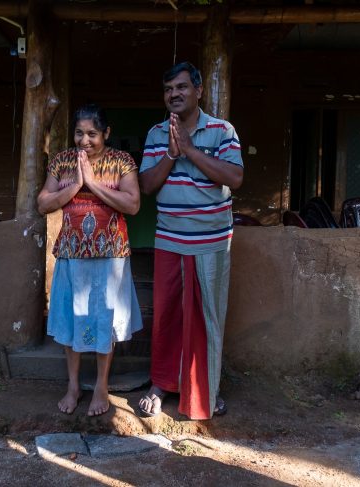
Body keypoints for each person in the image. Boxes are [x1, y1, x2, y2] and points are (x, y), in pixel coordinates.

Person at [137, 62, 244, 420]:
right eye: (168, 89)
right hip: (169, 238)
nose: (174, 94)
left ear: (198, 91)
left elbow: (234, 177)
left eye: (181, 87)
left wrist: (190, 150)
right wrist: (171, 152)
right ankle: (161, 383)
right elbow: (148, 186)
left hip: (212, 241)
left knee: (206, 318)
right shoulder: (155, 133)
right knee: (166, 316)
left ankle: (206, 390)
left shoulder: (222, 131)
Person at [37, 104, 143, 417]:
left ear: (106, 134)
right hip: (72, 253)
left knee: (102, 319)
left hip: (110, 255)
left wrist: (93, 183)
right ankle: (72, 385)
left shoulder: (122, 161)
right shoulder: (61, 161)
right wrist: (74, 185)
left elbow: (133, 204)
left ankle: (100, 385)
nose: (85, 140)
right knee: (73, 319)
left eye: (92, 134)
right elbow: (43, 202)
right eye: (79, 133)